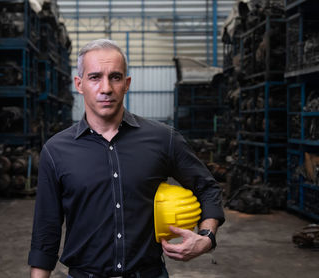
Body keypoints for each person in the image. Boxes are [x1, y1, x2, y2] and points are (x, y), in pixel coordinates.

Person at [28, 39, 225, 278]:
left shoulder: (163, 139)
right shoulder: (56, 151)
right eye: (94, 77)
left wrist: (207, 238)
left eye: (115, 77)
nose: (106, 88)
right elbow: (45, 232)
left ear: (127, 84)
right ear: (79, 84)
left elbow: (207, 187)